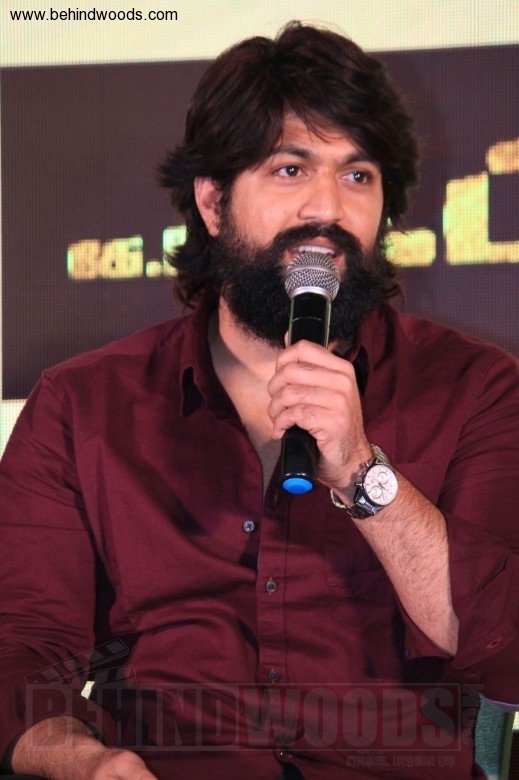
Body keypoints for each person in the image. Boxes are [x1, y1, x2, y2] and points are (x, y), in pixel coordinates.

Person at [0, 21, 518, 780]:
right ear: (213, 203)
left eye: (358, 175)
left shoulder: (476, 388)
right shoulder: (82, 407)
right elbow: (21, 650)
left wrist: (363, 473)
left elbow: (502, 646)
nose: (326, 210)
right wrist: (86, 762)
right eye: (289, 169)